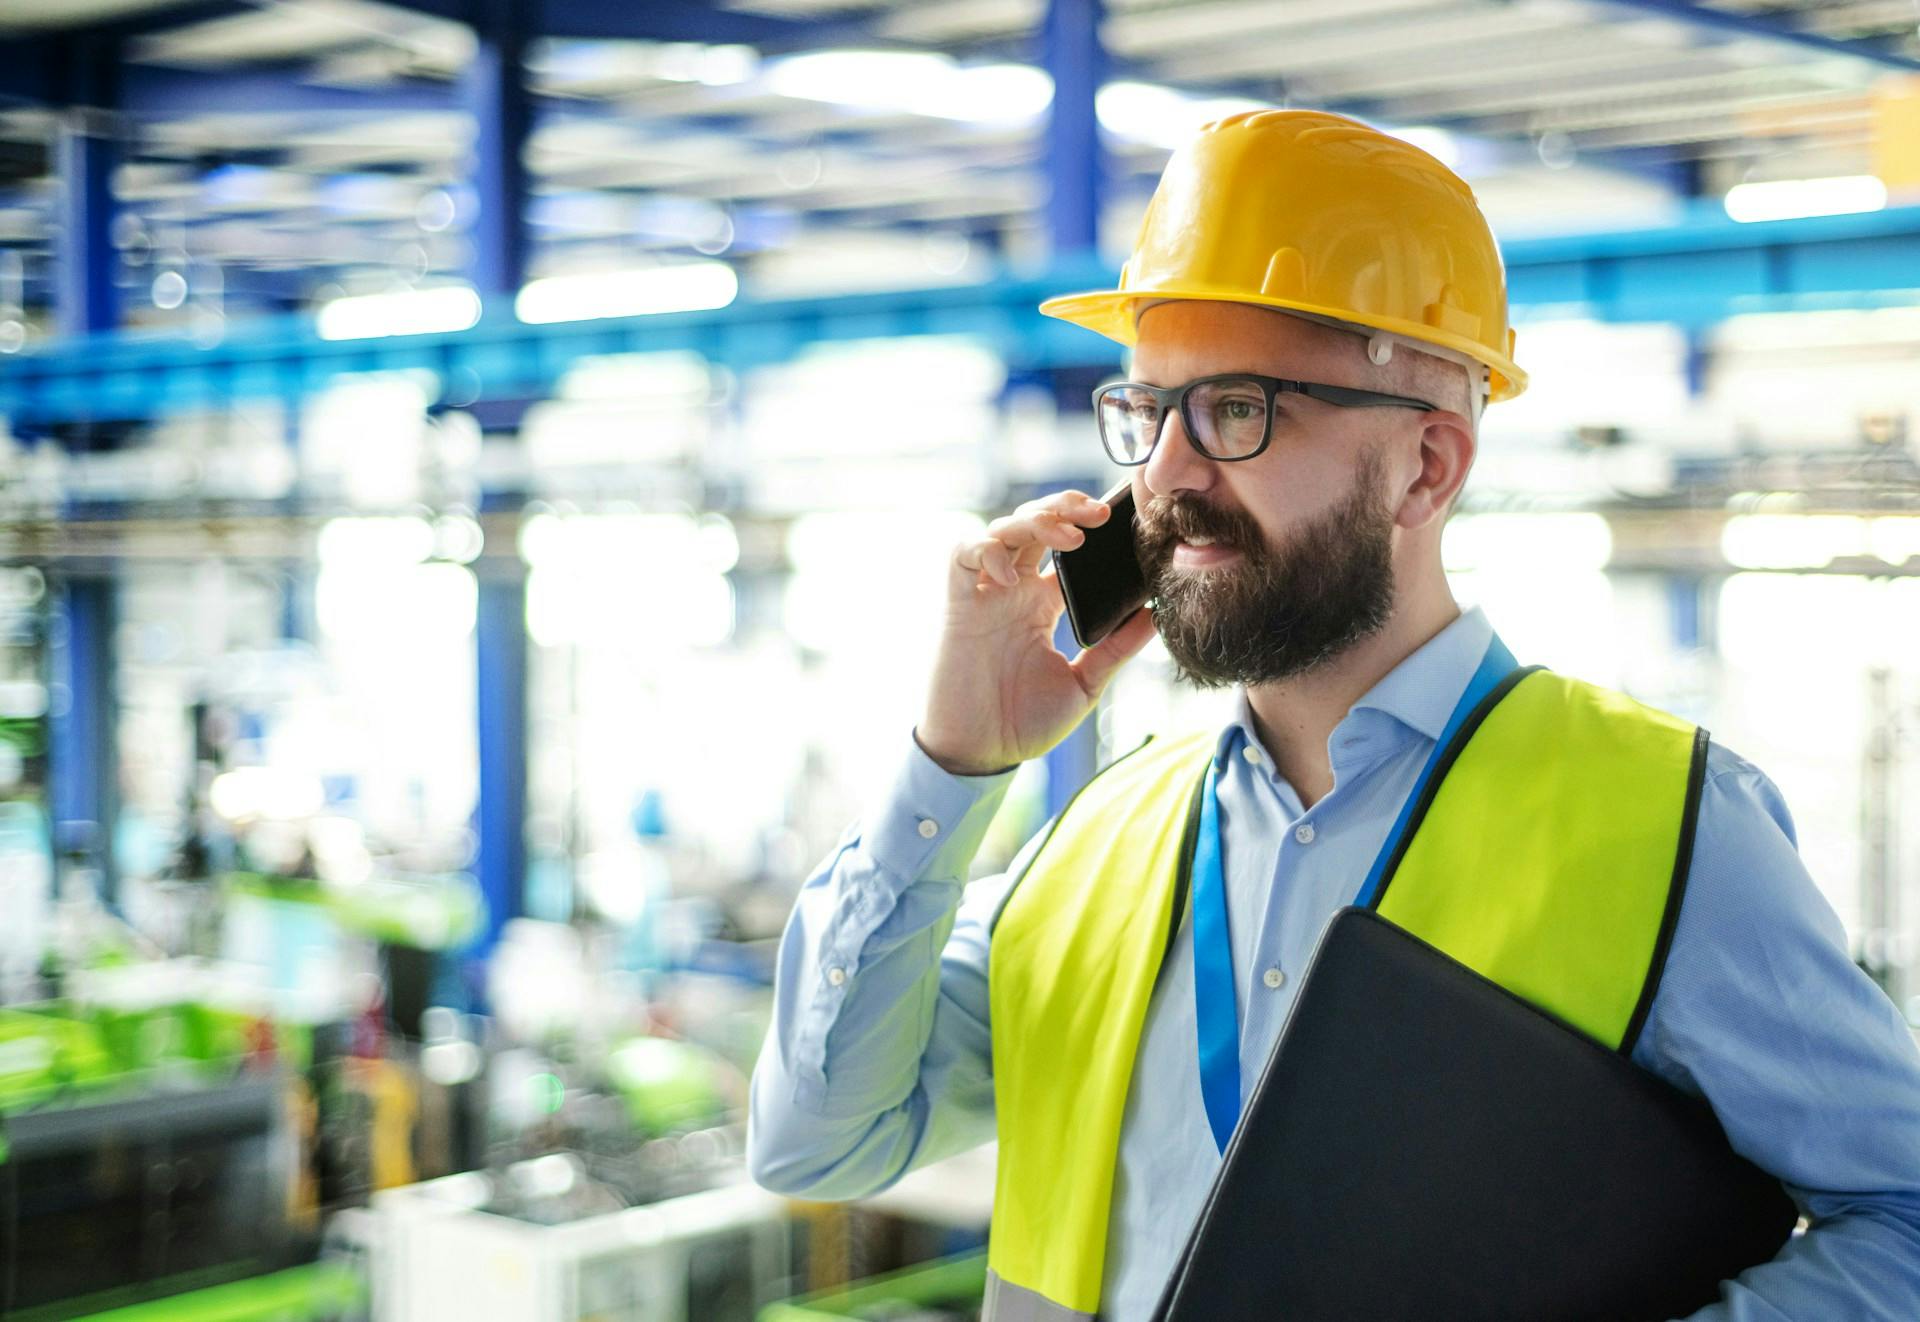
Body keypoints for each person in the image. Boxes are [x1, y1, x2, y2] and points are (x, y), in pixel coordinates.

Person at [746, 109, 1920, 1320]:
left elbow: (1906, 1216)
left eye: (1237, 410)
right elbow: (814, 1141)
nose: (1165, 473)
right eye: (1148, 410)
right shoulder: (1096, 837)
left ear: (1428, 466)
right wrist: (950, 763)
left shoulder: (1668, 824)